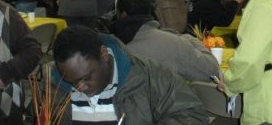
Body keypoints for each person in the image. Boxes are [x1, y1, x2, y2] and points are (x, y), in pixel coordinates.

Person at [53, 25, 209, 125]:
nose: (79, 88)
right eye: (71, 82)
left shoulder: (149, 75)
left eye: (86, 78)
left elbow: (192, 114)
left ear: (103, 55)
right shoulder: (52, 87)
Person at [110, 0, 219, 82]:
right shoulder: (174, 43)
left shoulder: (107, 45)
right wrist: (190, 39)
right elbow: (212, 71)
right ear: (152, 11)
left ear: (121, 14)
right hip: (166, 105)